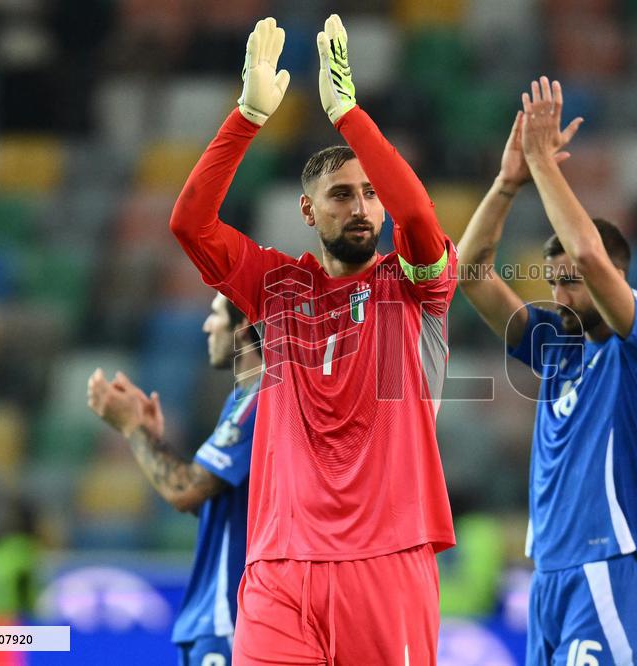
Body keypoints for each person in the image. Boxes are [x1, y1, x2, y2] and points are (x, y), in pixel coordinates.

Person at [168, 15, 457, 666]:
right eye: (340, 196)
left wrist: (349, 113)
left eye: (368, 195)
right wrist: (246, 115)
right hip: (279, 566)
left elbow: (417, 215)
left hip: (386, 560)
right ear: (307, 211)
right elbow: (189, 223)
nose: (361, 207)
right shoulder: (276, 286)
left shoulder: (411, 285)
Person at [457, 77, 637, 666]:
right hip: (549, 573)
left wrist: (541, 163)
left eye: (570, 281)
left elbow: (588, 253)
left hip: (608, 564)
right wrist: (508, 183)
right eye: (551, 279)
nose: (558, 291)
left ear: (614, 277)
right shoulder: (558, 348)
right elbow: (469, 274)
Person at [87, 292, 261, 666]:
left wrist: (133, 427)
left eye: (215, 314)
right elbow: (219, 503)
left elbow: (185, 491)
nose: (207, 325)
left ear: (243, 326)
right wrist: (152, 438)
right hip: (216, 621)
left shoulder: (261, 401)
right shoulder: (240, 401)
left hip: (228, 616)